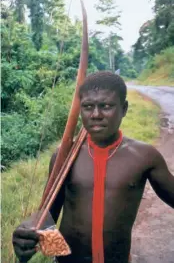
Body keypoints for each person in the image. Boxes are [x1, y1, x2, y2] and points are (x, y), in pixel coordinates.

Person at [13, 71, 174, 263]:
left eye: (106, 106)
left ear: (124, 109)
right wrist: (28, 235)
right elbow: (49, 214)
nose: (96, 115)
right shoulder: (64, 155)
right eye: (88, 107)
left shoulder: (144, 156)